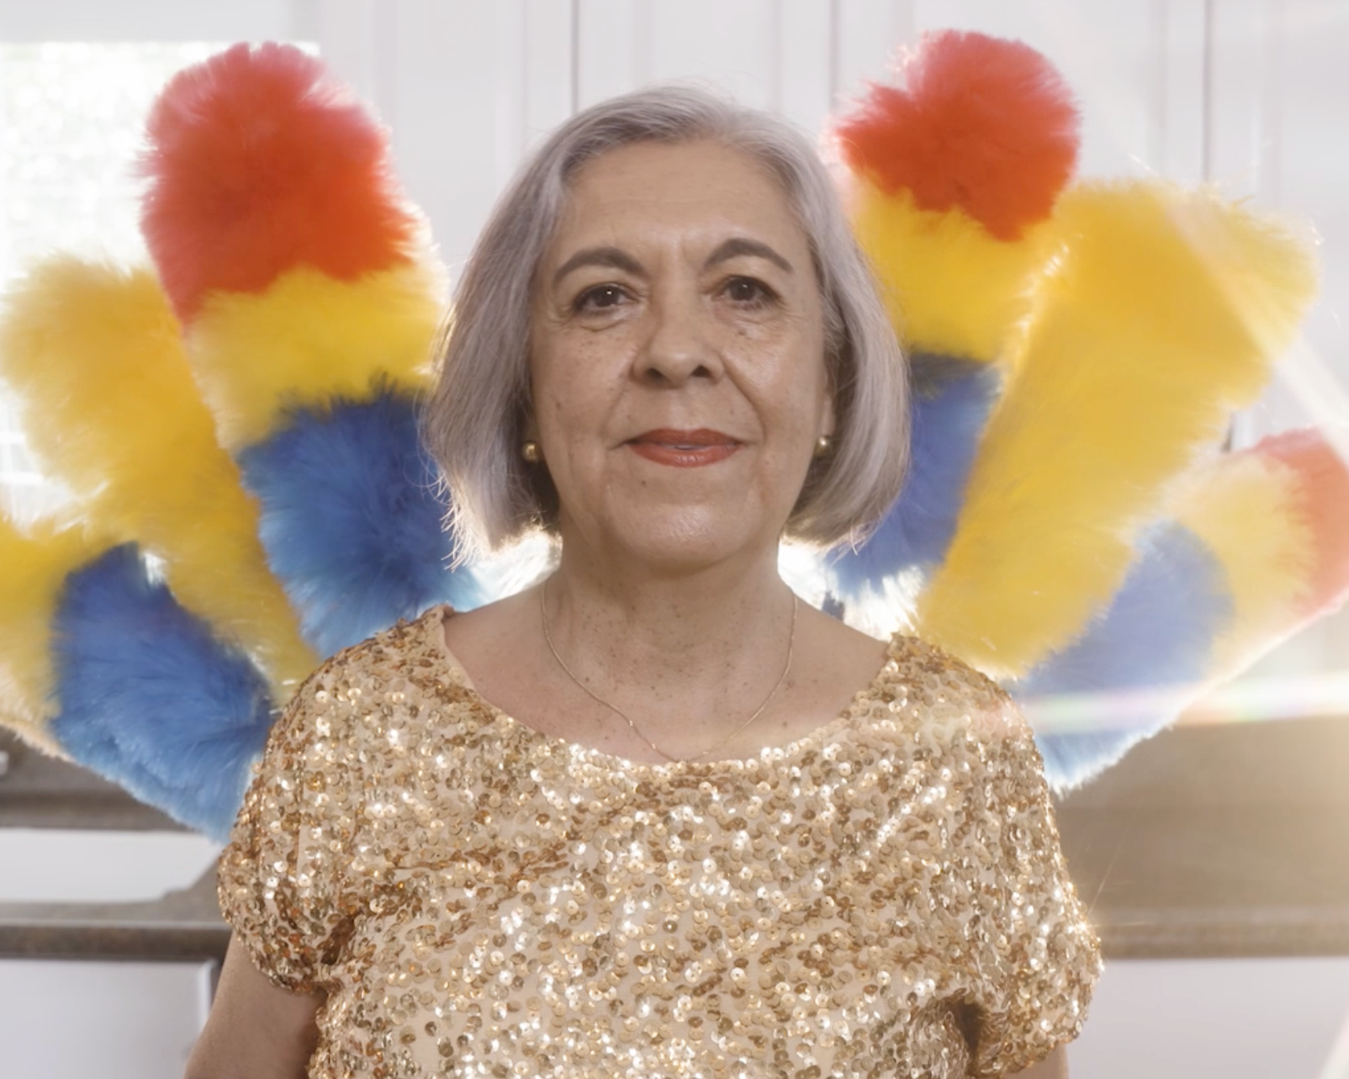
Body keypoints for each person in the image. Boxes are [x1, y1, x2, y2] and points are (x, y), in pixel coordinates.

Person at [186, 86, 1100, 1078]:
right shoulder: (358, 736)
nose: (674, 352)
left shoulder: (955, 759)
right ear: (523, 381)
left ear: (828, 379)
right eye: (602, 297)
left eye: (745, 291)